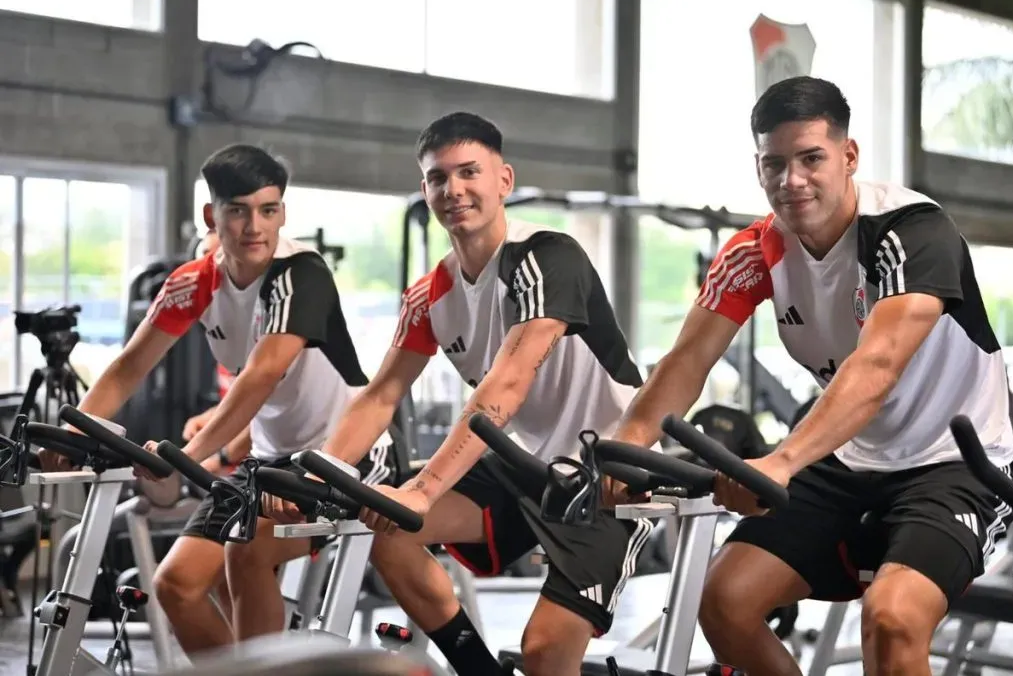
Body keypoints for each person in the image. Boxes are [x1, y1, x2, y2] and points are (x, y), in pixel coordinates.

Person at [609, 75, 1013, 676]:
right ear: (758, 168)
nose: (791, 180)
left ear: (848, 157)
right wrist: (624, 448)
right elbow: (686, 361)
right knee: (723, 600)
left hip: (954, 463)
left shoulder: (909, 232)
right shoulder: (753, 252)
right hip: (852, 459)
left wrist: (780, 461)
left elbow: (875, 368)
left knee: (893, 619)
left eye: (811, 159)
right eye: (774, 164)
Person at [264, 112, 653, 676]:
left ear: (504, 180)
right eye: (438, 178)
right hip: (522, 464)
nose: (454, 189)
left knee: (545, 652)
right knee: (386, 529)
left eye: (469, 172)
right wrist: (321, 472)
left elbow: (508, 383)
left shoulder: (545, 256)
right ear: (425, 190)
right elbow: (379, 397)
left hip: (605, 471)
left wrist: (423, 489)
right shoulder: (429, 295)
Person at [38, 143, 397, 658]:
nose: (255, 227)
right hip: (271, 460)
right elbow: (128, 367)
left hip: (344, 456)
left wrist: (191, 458)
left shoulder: (300, 274)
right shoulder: (195, 282)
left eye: (268, 210)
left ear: (282, 213)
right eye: (238, 211)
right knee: (176, 586)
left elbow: (261, 376)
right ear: (212, 215)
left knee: (247, 552)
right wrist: (75, 432)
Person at [181, 230, 252, 477]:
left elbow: (263, 417)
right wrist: (210, 418)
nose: (213, 269)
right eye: (205, 259)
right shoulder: (223, 334)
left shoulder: (263, 331)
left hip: (295, 462)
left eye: (221, 258)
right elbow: (241, 404)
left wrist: (219, 458)